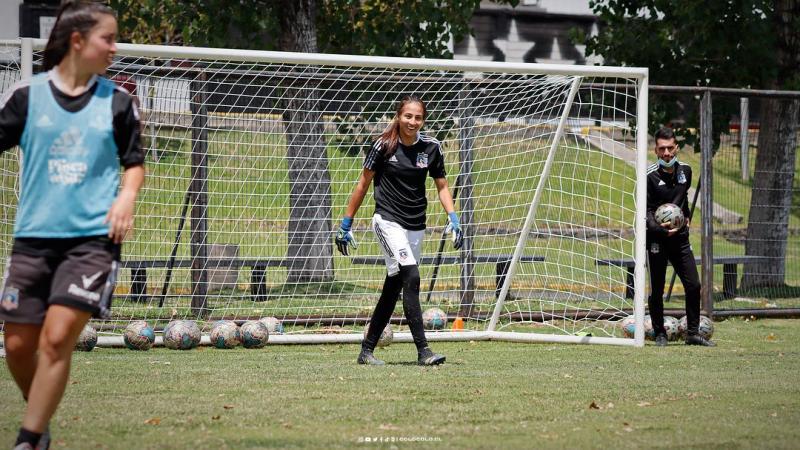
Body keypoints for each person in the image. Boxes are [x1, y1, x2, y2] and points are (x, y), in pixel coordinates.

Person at [0, 2, 145, 448]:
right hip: (32, 241)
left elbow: (134, 163)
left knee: (58, 337)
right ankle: (39, 416)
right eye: (108, 38)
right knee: (21, 346)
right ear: (77, 41)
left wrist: (126, 196)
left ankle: (29, 438)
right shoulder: (28, 97)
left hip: (91, 242)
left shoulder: (118, 103)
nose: (114, 48)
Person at [336, 94, 463, 366]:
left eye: (418, 117)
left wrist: (453, 218)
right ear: (398, 116)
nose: (412, 122)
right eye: (408, 116)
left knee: (393, 286)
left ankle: (366, 350)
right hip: (387, 221)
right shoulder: (383, 145)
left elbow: (442, 185)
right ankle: (423, 351)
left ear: (423, 120)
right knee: (412, 276)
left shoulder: (431, 148)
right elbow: (362, 184)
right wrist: (346, 223)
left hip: (416, 225)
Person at [646, 127, 713, 347]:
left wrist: (685, 218)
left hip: (680, 238)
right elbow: (645, 213)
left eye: (670, 148)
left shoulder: (686, 171)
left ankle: (692, 333)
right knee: (657, 288)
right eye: (662, 148)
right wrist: (662, 228)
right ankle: (660, 333)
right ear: (656, 150)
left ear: (676, 148)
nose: (666, 153)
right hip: (657, 239)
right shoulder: (649, 176)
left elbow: (682, 200)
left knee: (693, 285)